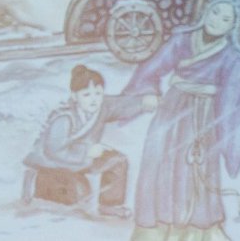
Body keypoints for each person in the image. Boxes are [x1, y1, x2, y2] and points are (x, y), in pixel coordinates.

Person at [122, 0, 240, 241]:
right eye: (215, 12)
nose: (217, 21)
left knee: (193, 173)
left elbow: (232, 99)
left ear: (233, 26)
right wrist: (148, 91)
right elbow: (153, 67)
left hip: (203, 118)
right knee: (156, 163)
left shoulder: (233, 57)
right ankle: (153, 236)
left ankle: (197, 238)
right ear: (206, 11)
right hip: (171, 109)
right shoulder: (182, 40)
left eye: (226, 19)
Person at [22, 64, 150, 218]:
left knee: (117, 161)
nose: (94, 99)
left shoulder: (102, 107)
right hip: (54, 164)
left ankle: (110, 205)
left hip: (83, 158)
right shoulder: (64, 118)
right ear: (75, 96)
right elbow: (54, 151)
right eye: (86, 94)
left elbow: (120, 105)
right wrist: (86, 152)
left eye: (98, 93)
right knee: (80, 193)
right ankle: (38, 184)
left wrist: (144, 102)